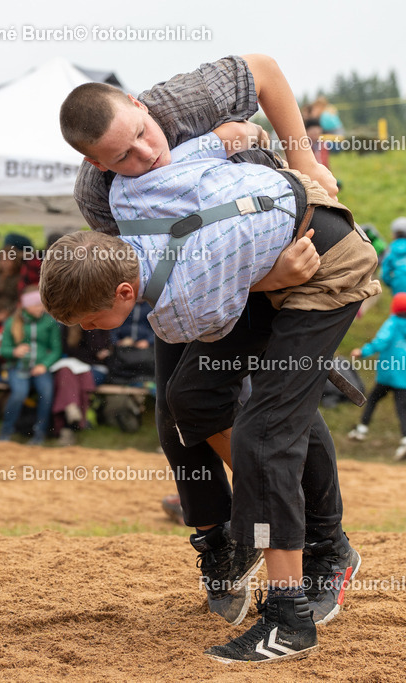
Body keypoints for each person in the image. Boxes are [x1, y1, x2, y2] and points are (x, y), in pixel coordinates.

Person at [52, 86, 379, 661]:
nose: (93, 332)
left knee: (265, 434)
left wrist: (274, 269)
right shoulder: (129, 193)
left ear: (124, 292)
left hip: (325, 268)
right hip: (264, 257)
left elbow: (226, 301)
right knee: (191, 399)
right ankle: (248, 527)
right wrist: (238, 138)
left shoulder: (182, 305)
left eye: (92, 321)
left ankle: (290, 616)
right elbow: (214, 148)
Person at [347, 292, 406, 460]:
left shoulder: (393, 323)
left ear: (394, 307)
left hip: (389, 372)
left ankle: (361, 429)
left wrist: (363, 352)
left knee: (373, 398)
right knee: (402, 405)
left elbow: (381, 341)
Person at [0, 290, 62, 445]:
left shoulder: (49, 322)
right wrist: (14, 351)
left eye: (42, 305)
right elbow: (3, 349)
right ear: (26, 306)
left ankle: (39, 434)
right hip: (17, 366)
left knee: (46, 393)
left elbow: (56, 349)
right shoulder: (12, 322)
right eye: (36, 305)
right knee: (19, 393)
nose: (41, 308)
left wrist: (44, 365)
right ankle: (5, 433)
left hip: (40, 367)